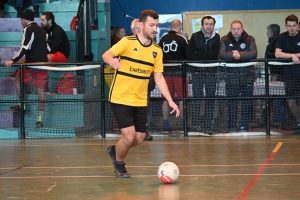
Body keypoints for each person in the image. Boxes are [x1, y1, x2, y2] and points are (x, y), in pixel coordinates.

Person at [103, 9, 180, 178]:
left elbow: (159, 78)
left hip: (140, 100)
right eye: (151, 25)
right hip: (120, 97)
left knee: (139, 138)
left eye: (157, 26)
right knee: (129, 136)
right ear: (141, 25)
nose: (155, 29)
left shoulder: (157, 51)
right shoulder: (127, 42)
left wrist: (171, 101)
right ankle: (119, 163)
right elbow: (106, 54)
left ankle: (115, 150)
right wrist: (112, 60)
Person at [5, 9, 48, 128]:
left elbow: (24, 48)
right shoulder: (42, 30)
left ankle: (22, 105)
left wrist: (12, 60)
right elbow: (48, 48)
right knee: (41, 92)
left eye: (21, 20)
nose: (20, 22)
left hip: (31, 65)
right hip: (43, 65)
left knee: (18, 78)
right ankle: (39, 119)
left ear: (25, 20)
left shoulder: (28, 29)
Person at [219, 20, 257, 132]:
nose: (236, 31)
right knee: (232, 103)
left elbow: (254, 53)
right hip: (231, 77)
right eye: (234, 29)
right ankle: (231, 126)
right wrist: (232, 55)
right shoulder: (224, 39)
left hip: (247, 76)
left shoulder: (250, 39)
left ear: (242, 29)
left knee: (246, 103)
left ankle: (244, 125)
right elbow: (221, 53)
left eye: (238, 29)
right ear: (230, 29)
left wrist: (239, 55)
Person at [186, 16, 220, 134]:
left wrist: (199, 54)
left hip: (211, 73)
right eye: (206, 24)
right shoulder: (195, 36)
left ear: (213, 25)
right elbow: (189, 55)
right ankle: (195, 124)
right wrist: (207, 55)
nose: (209, 26)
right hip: (197, 72)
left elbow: (215, 55)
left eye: (211, 24)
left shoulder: (217, 37)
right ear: (202, 25)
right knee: (197, 99)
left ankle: (208, 125)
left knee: (211, 99)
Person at [158, 19, 188, 133]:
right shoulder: (182, 39)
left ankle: (165, 125)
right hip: (180, 73)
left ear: (170, 27)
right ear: (179, 27)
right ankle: (182, 126)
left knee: (165, 99)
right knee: (182, 99)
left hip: (165, 74)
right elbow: (187, 55)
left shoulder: (162, 39)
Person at [275, 14, 300, 134]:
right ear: (286, 26)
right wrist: (292, 56)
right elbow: (277, 54)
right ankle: (299, 121)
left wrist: (296, 55)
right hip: (289, 75)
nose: (292, 28)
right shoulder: (282, 37)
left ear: (298, 25)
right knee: (291, 102)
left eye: (294, 26)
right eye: (289, 26)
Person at [131, 18, 153, 140]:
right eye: (137, 29)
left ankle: (144, 130)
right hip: (129, 86)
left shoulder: (151, 45)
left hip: (145, 86)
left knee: (145, 108)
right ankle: (131, 132)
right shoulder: (127, 43)